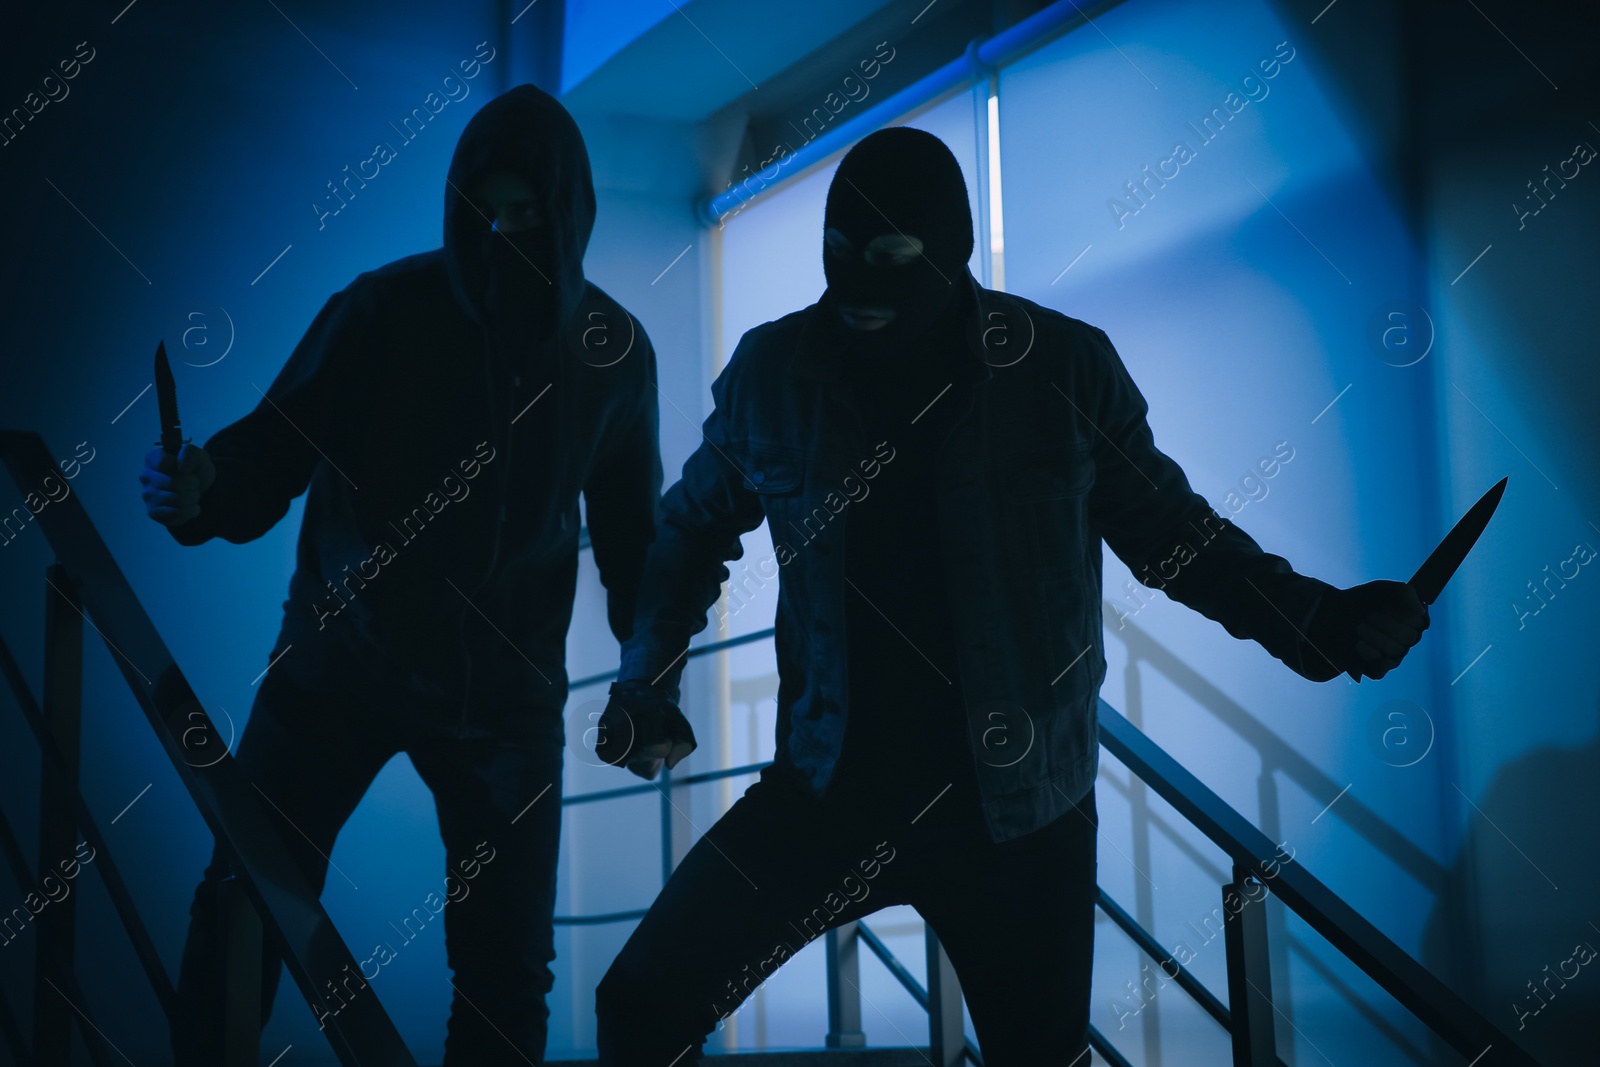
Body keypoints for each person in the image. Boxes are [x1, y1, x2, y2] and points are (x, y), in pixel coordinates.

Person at [587, 126, 1428, 1064]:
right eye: (837, 257)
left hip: (1020, 819)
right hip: (826, 794)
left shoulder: (1062, 371)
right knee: (639, 1005)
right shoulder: (773, 374)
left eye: (895, 258)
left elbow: (1177, 541)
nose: (859, 286)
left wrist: (1320, 623)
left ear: (951, 255)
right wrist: (645, 675)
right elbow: (688, 528)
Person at [138, 84, 662, 1065]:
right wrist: (202, 492)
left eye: (529, 213)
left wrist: (650, 681)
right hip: (338, 668)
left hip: (504, 705)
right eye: (485, 212)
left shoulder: (613, 356)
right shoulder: (380, 309)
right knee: (243, 900)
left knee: (505, 972)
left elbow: (634, 545)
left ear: (570, 212)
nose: (504, 233)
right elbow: (264, 458)